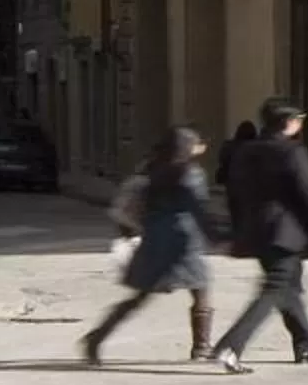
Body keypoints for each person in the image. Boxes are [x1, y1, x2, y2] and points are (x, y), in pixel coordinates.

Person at [213, 98, 308, 372]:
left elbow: (234, 194)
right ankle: (231, 346)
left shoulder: (245, 152)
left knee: (287, 288)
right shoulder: (292, 152)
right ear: (289, 123)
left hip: (255, 231)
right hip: (286, 232)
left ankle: (307, 345)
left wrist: (237, 231)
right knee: (274, 289)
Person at [81, 126, 218, 363]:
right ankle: (201, 347)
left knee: (140, 296)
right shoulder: (190, 173)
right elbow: (197, 208)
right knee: (200, 291)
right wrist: (217, 236)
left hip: (154, 241)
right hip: (183, 242)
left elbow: (132, 209)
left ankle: (97, 336)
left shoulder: (150, 171)